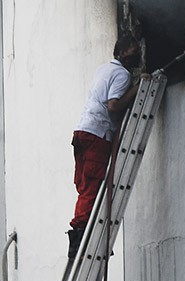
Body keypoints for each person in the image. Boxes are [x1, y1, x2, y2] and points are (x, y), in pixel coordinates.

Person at [67, 35, 144, 258]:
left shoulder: (104, 69)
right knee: (92, 186)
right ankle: (81, 238)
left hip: (82, 132)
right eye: (133, 50)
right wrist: (136, 88)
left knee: (84, 186)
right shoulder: (122, 74)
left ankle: (78, 235)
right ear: (121, 53)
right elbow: (113, 105)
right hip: (97, 135)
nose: (137, 54)